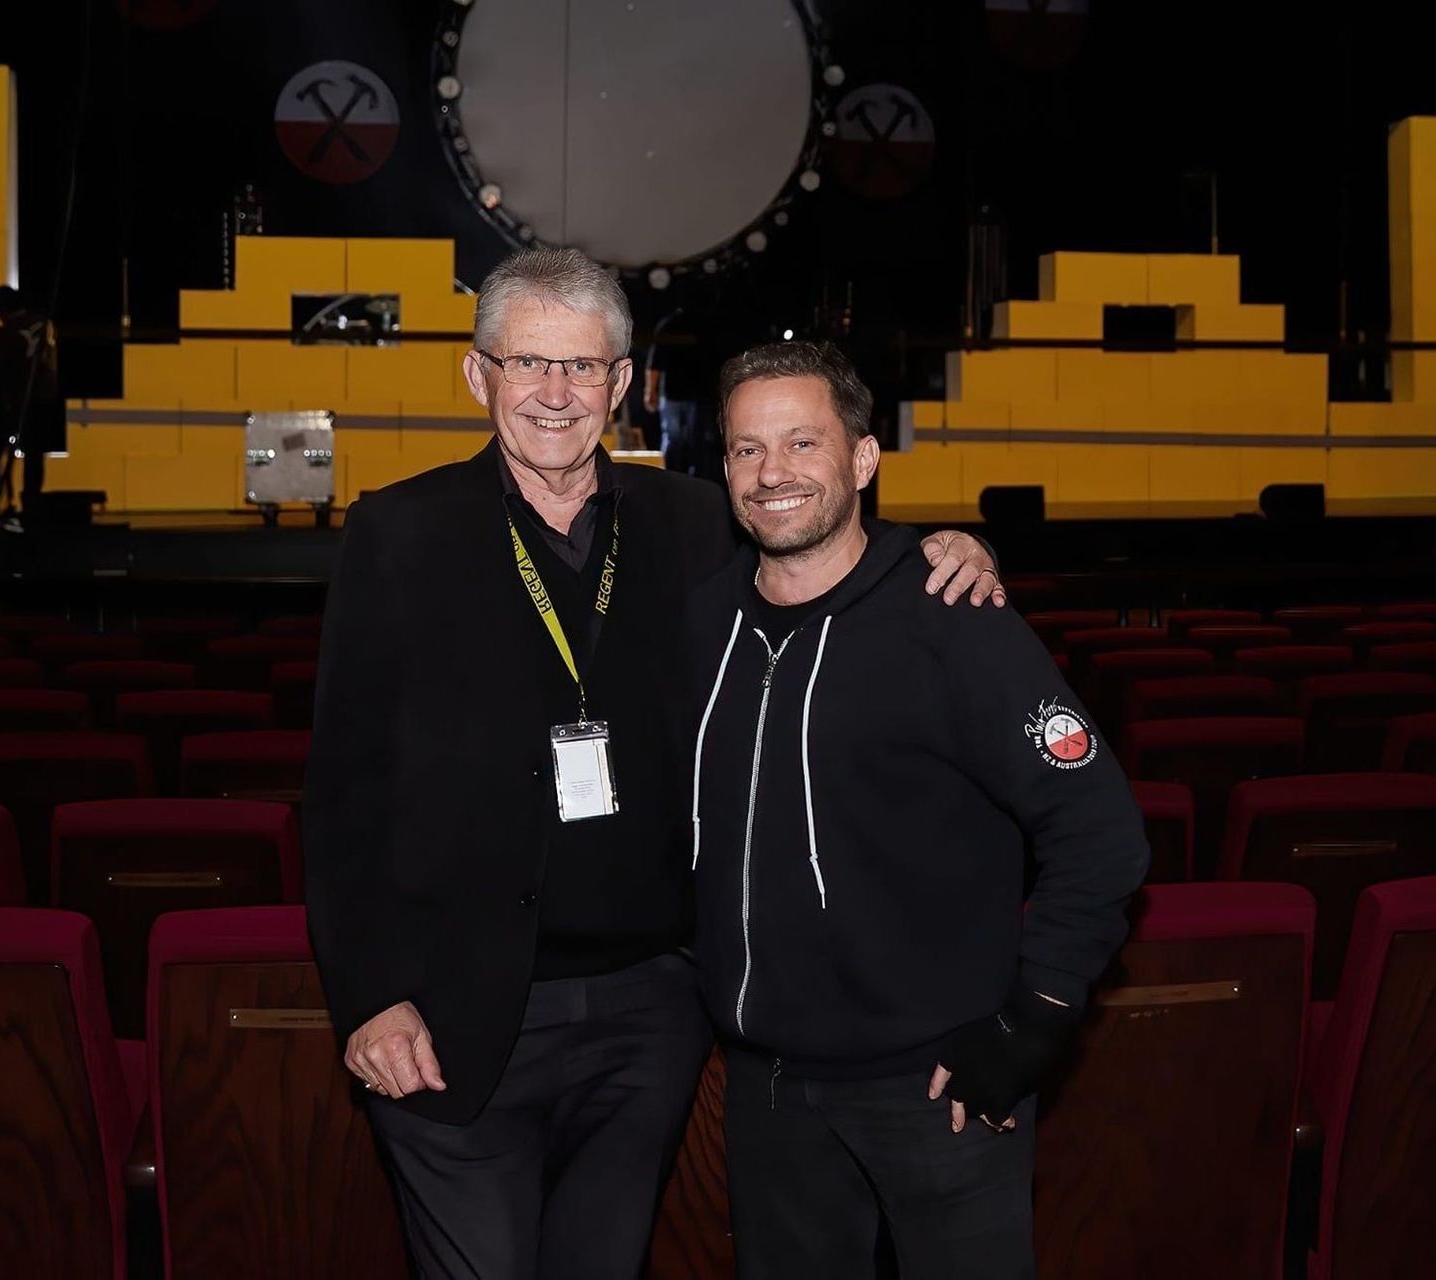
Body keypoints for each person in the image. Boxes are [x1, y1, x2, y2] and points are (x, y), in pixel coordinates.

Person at [302, 248, 1002, 1279]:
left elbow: (824, 556)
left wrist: (944, 552)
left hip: (651, 1012)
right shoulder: (395, 534)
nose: (554, 393)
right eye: (528, 362)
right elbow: (343, 790)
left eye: (583, 367)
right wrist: (367, 994)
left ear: (623, 383)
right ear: (475, 373)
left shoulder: (696, 523)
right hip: (448, 1014)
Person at [686, 341, 1149, 1279]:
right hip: (768, 1095)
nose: (772, 473)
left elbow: (1100, 833)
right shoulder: (700, 623)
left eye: (803, 443)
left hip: (940, 1094)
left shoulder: (954, 617)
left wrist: (1033, 1025)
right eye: (745, 450)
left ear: (861, 460)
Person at [0, 284, 63, 518]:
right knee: (35, 454)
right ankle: (32, 502)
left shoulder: (8, 332)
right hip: (45, 397)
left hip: (17, 399)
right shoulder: (45, 324)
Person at [645, 306, 717, 475]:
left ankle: (688, 477)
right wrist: (651, 391)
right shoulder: (671, 324)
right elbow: (655, 362)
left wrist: (651, 391)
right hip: (677, 394)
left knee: (688, 440)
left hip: (693, 395)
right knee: (677, 439)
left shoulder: (701, 324)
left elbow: (655, 363)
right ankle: (674, 476)